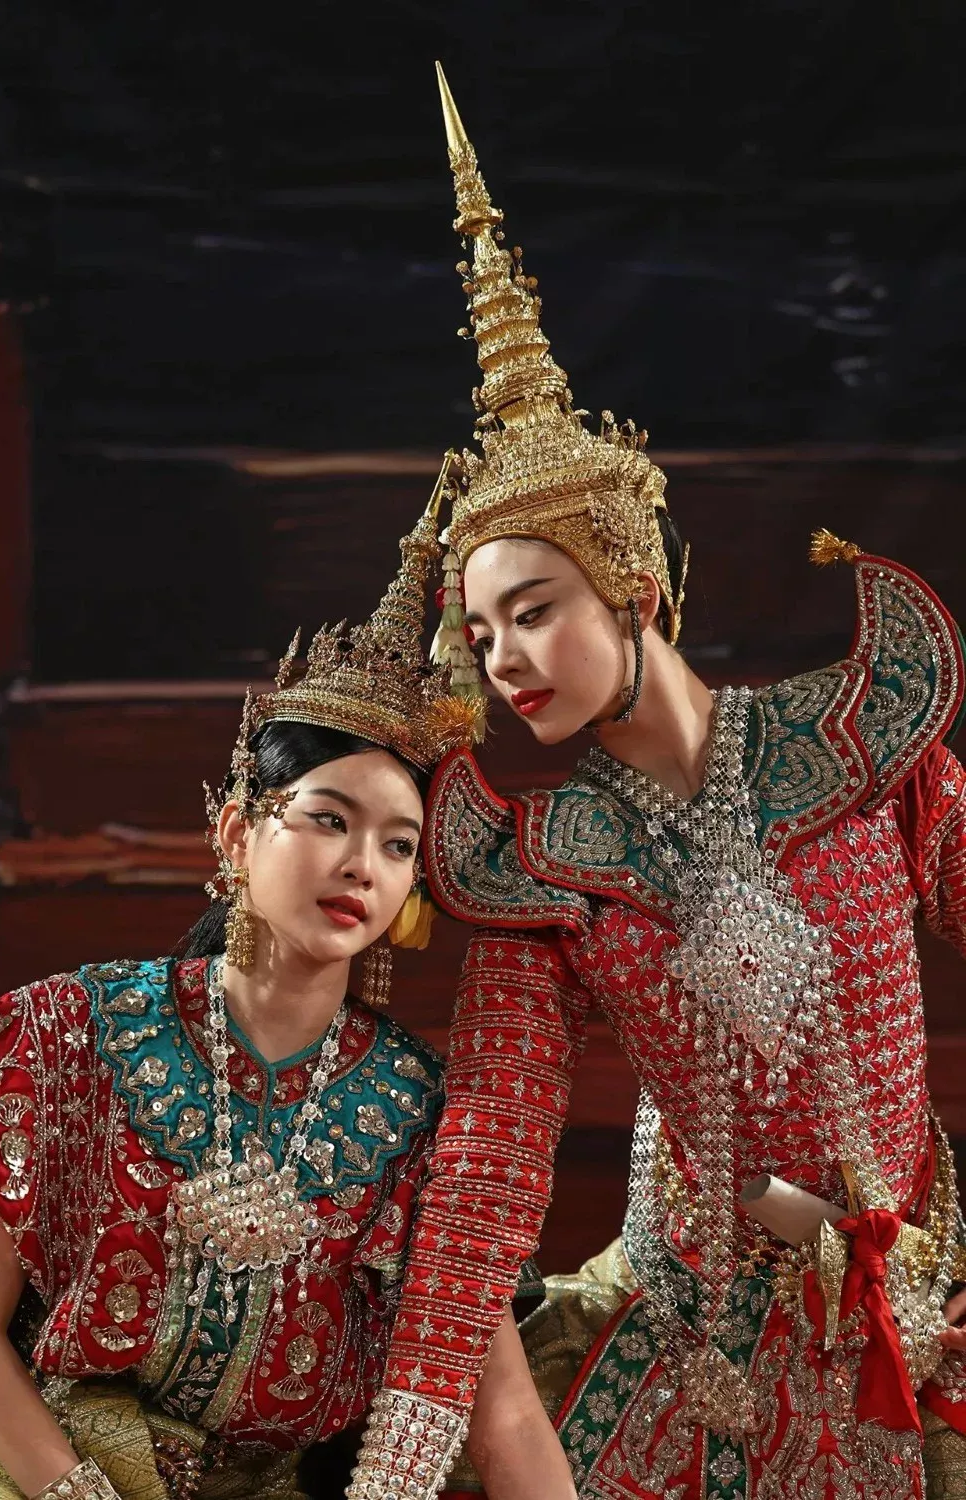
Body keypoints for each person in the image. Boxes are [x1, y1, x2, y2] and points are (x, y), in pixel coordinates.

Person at [344, 69, 966, 1500]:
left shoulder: (858, 753)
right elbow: (491, 1162)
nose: (506, 658)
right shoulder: (545, 860)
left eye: (535, 610)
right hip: (708, 1354)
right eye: (480, 634)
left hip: (923, 1307)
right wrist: (401, 1461)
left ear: (634, 585)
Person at [0, 484, 572, 1500]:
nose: (362, 865)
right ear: (238, 832)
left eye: (398, 845)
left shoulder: (420, 1112)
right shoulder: (76, 1033)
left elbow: (501, 1410)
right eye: (328, 820)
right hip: (42, 1467)